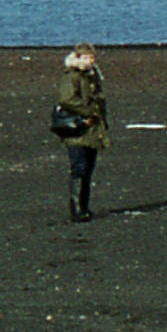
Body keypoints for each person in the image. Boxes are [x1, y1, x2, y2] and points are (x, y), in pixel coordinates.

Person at [56, 42, 110, 222]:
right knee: (79, 169)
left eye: (92, 57)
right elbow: (67, 99)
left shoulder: (92, 75)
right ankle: (78, 210)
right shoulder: (72, 76)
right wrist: (89, 112)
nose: (90, 60)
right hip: (77, 128)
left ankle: (84, 207)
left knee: (87, 169)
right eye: (87, 57)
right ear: (78, 57)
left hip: (92, 129)